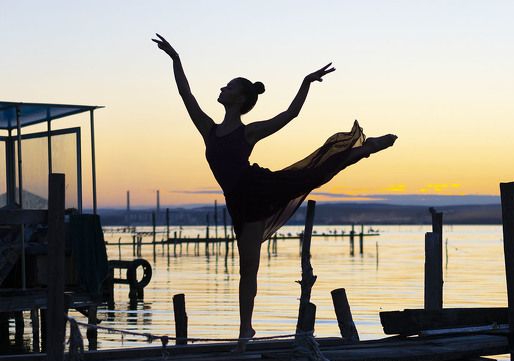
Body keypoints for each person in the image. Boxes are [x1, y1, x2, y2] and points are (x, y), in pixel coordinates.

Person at [153, 33, 397, 344]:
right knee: (246, 269)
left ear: (239, 98)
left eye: (227, 87)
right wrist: (176, 59)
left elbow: (289, 115)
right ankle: (246, 329)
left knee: (313, 173)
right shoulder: (208, 129)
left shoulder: (248, 133)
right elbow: (186, 95)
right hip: (237, 202)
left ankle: (365, 148)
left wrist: (306, 83)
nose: (221, 89)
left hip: (257, 191)